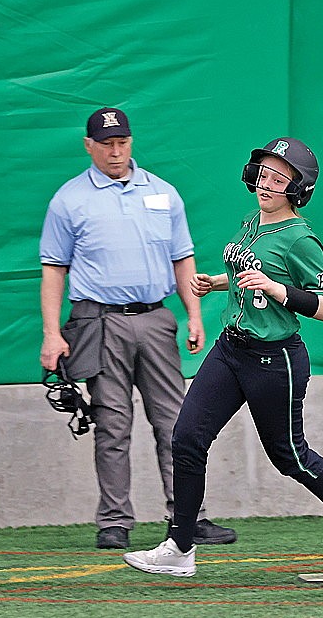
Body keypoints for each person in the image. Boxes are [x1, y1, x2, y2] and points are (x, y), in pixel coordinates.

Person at [124, 137, 323, 577]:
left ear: (299, 189)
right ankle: (180, 547)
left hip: (274, 358)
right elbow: (250, 274)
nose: (267, 183)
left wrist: (277, 289)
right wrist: (218, 283)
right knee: (186, 440)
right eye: (264, 172)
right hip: (231, 348)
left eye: (280, 178)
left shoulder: (301, 238)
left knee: (289, 457)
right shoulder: (251, 222)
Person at [39, 107, 236, 550]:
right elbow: (54, 269)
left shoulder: (164, 194)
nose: (115, 151)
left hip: (156, 318)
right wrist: (53, 334)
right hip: (101, 322)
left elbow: (182, 257)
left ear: (132, 142)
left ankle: (189, 518)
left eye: (122, 142)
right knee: (112, 425)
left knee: (176, 423)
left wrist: (195, 313)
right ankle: (114, 521)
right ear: (88, 145)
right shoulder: (68, 200)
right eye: (105, 143)